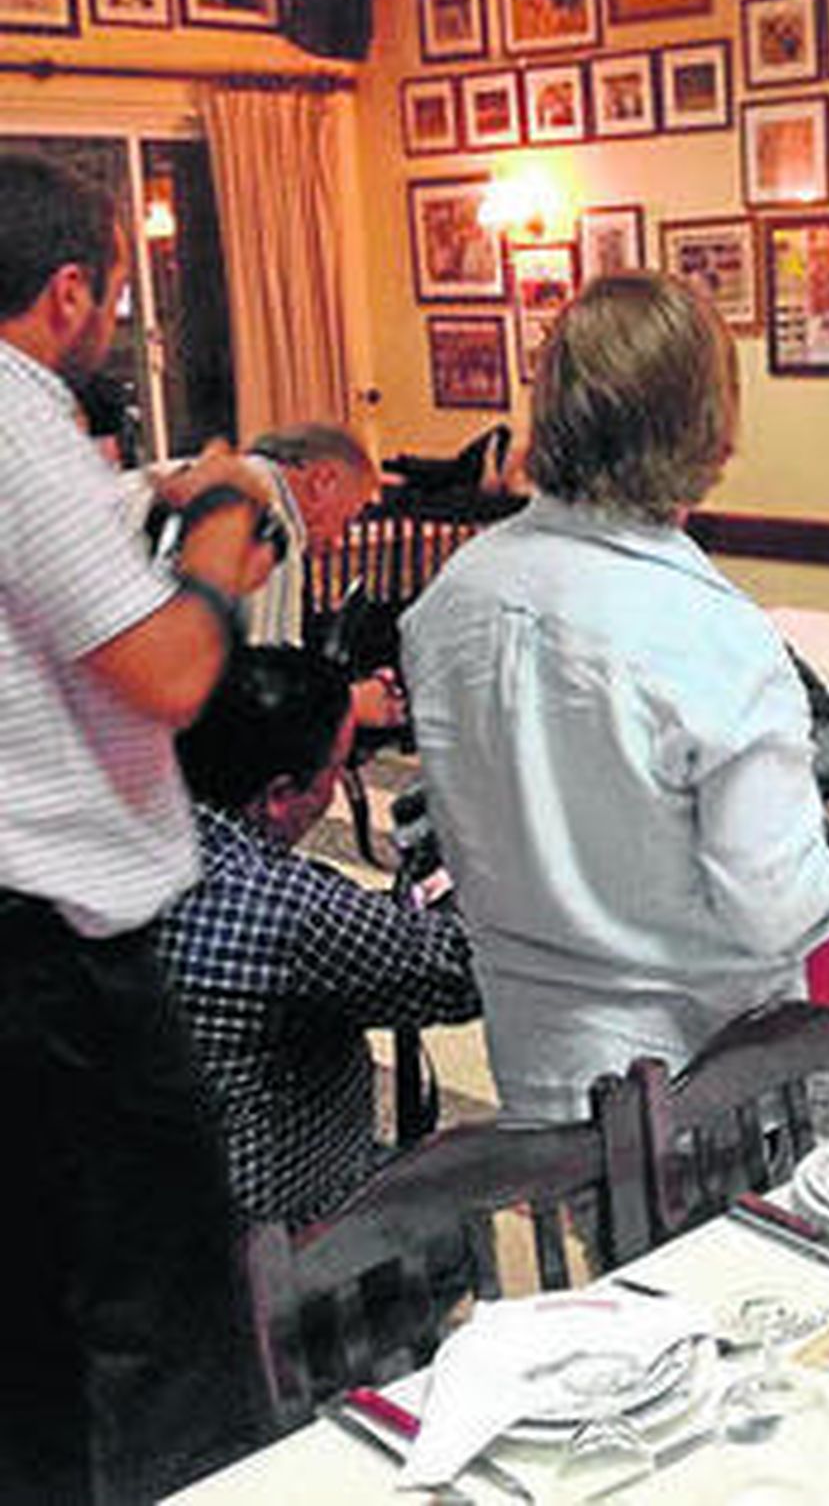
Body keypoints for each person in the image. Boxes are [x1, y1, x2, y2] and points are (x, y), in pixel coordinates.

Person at [402, 272, 829, 1122]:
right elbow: (772, 911)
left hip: (533, 1054)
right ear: (710, 429)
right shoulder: (712, 635)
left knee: (600, 1252)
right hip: (698, 1072)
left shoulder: (451, 597)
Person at [0, 154, 277, 1501]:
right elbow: (165, 669)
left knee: (36, 1325)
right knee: (163, 1331)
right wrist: (227, 521)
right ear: (68, 294)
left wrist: (153, 492)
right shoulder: (7, 415)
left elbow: (46, 551)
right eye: (110, 293)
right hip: (52, 961)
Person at [157, 647, 480, 1227]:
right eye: (336, 769)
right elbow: (463, 973)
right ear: (281, 794)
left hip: (122, 1196)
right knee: (453, 1224)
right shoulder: (288, 910)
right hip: (267, 1229)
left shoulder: (115, 832)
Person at [242, 422, 408, 732]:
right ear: (322, 482)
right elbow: (260, 703)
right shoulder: (270, 522)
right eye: (348, 521)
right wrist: (350, 703)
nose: (337, 543)